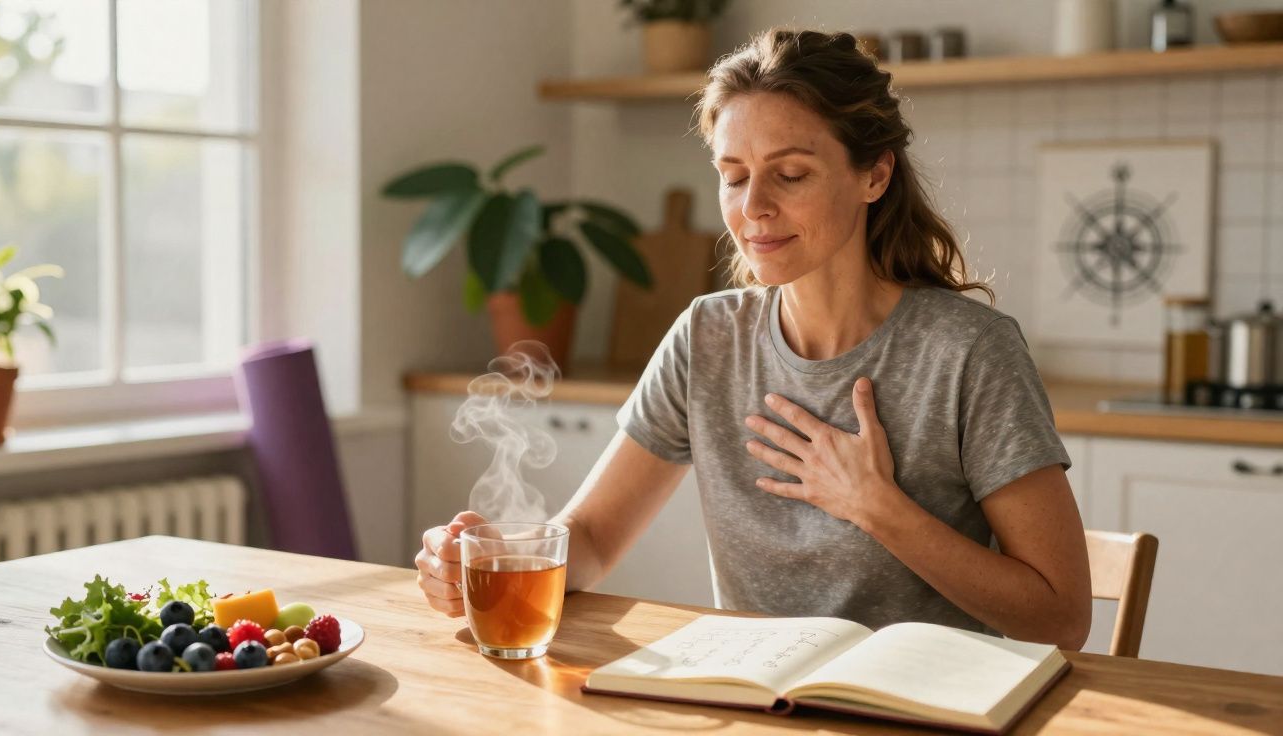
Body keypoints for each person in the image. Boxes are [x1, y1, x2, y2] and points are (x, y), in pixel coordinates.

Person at [415, 28, 1091, 648]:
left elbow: (1062, 615)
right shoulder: (708, 337)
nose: (754, 206)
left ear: (874, 176)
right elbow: (589, 537)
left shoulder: (971, 352)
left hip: (924, 713)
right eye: (733, 175)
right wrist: (504, 554)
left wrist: (879, 509)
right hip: (756, 704)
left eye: (791, 174)